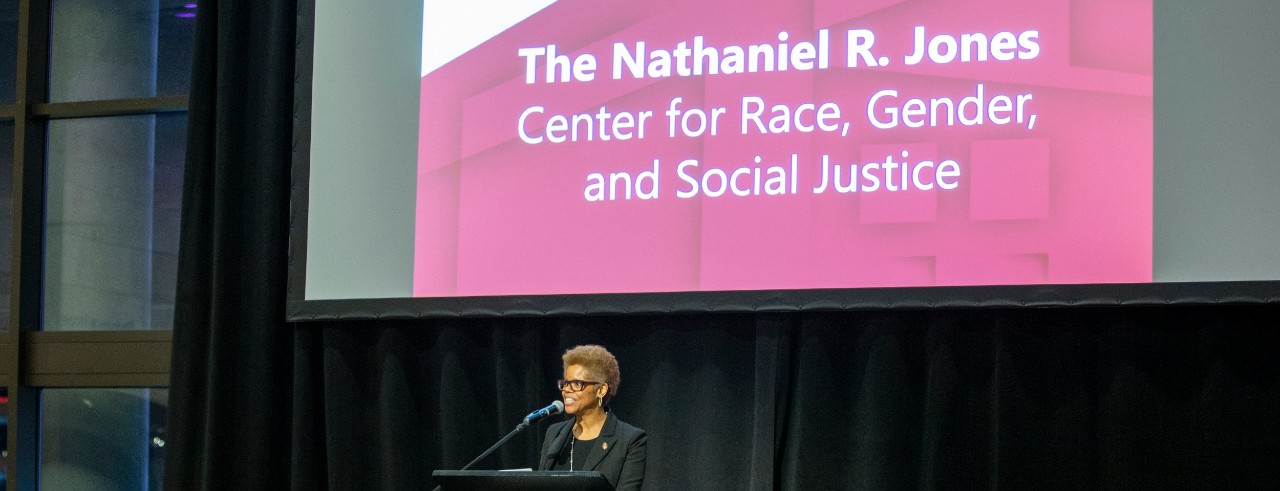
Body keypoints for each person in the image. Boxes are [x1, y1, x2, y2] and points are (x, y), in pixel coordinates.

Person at [538, 345, 646, 490]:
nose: (566, 390)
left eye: (577, 383)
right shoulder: (554, 433)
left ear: (601, 390)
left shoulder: (630, 439)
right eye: (565, 383)